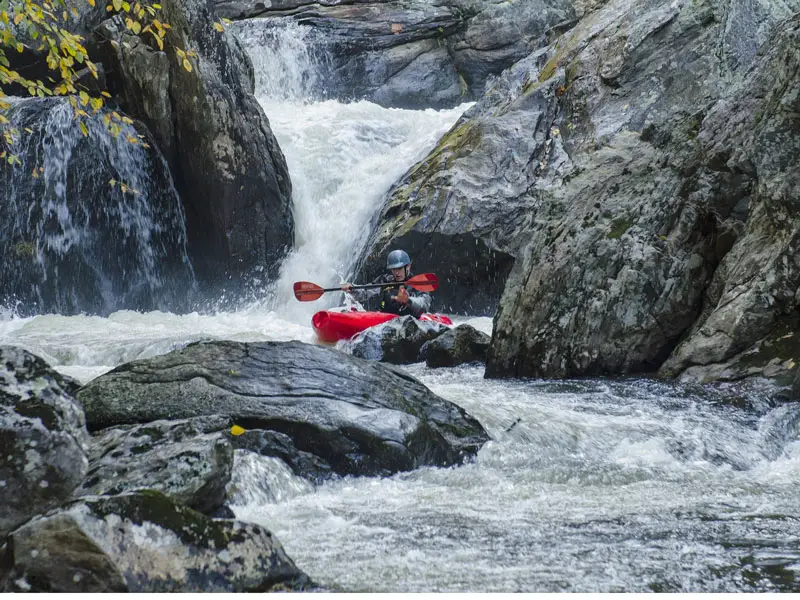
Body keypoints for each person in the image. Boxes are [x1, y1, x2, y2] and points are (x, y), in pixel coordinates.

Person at [340, 249, 431, 317]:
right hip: (386, 321)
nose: (396, 272)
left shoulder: (419, 283)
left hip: (409, 321)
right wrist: (352, 288)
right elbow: (365, 292)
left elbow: (424, 305)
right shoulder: (385, 280)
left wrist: (408, 300)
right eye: (393, 269)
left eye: (399, 268)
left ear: (408, 267)